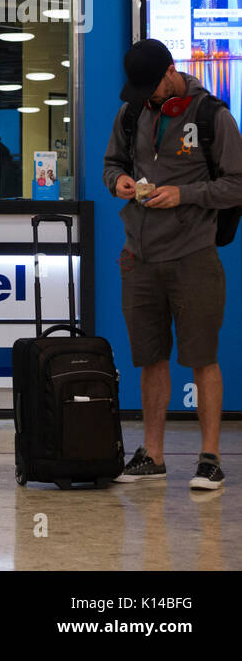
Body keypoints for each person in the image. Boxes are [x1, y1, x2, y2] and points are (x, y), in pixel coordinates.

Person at [102, 38, 242, 491]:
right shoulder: (130, 114)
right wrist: (119, 180)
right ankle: (153, 456)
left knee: (202, 358)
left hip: (193, 255)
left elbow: (237, 184)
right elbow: (110, 165)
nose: (148, 98)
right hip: (139, 257)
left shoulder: (212, 116)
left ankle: (210, 458)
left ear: (170, 72)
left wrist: (185, 194)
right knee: (150, 359)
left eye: (152, 87)